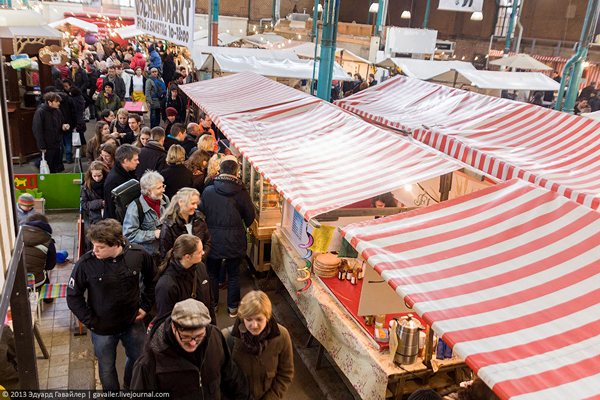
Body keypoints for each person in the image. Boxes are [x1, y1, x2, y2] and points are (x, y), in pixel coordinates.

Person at [67, 219, 155, 391]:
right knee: (106, 368)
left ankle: (129, 388)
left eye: (100, 247)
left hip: (133, 323)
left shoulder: (138, 254)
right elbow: (73, 296)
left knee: (138, 359)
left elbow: (152, 279)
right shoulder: (86, 264)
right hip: (102, 329)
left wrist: (145, 306)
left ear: (116, 244)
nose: (94, 250)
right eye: (93, 245)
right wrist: (91, 321)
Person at [130, 298, 250, 400]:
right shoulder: (149, 361)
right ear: (173, 327)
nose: (193, 343)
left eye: (198, 337)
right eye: (186, 337)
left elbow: (231, 376)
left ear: (206, 328)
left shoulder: (215, 337)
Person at [200, 156, 255, 317]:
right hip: (235, 240)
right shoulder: (242, 193)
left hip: (213, 240)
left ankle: (214, 305)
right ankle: (232, 308)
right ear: (236, 172)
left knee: (212, 274)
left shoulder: (208, 191)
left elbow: (202, 213)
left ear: (220, 170)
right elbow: (250, 217)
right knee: (233, 274)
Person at [223, 291, 294, 400]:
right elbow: (219, 377)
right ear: (242, 318)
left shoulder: (281, 336)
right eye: (249, 319)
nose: (254, 325)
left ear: (268, 316)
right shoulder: (228, 338)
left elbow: (286, 373)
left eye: (259, 319)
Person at [154, 234, 214, 326]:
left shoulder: (200, 267)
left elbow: (210, 300)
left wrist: (212, 327)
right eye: (199, 252)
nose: (203, 253)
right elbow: (166, 322)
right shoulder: (166, 285)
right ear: (187, 257)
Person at [123, 170, 169, 256]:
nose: (163, 190)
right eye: (159, 188)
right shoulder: (135, 208)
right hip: (148, 255)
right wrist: (153, 234)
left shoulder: (165, 199)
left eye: (163, 186)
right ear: (148, 191)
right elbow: (129, 235)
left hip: (164, 250)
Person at [159, 187, 211, 258]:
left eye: (197, 203)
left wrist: (201, 256)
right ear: (181, 202)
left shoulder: (199, 218)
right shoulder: (169, 225)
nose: (196, 207)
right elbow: (166, 253)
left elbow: (207, 241)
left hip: (199, 263)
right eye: (193, 203)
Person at [32, 92, 68, 173]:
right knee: (48, 163)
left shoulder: (57, 111)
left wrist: (64, 127)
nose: (59, 103)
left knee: (56, 163)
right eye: (56, 101)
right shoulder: (41, 112)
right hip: (47, 143)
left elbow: (61, 123)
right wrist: (41, 145)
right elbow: (37, 129)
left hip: (57, 142)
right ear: (49, 102)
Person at [103, 144, 140, 220]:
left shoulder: (129, 172)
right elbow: (111, 208)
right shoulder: (113, 180)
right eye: (135, 160)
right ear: (126, 161)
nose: (138, 162)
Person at [22, 213, 57, 290]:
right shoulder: (48, 240)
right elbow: (50, 265)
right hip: (37, 282)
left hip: (18, 281)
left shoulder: (17, 236)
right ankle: (47, 298)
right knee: (44, 273)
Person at [81, 161, 108, 235]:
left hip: (108, 215)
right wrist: (100, 203)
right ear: (90, 175)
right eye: (94, 176)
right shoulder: (86, 186)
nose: (97, 178)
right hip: (94, 217)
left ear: (104, 174)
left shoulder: (109, 183)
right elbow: (84, 204)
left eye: (99, 176)